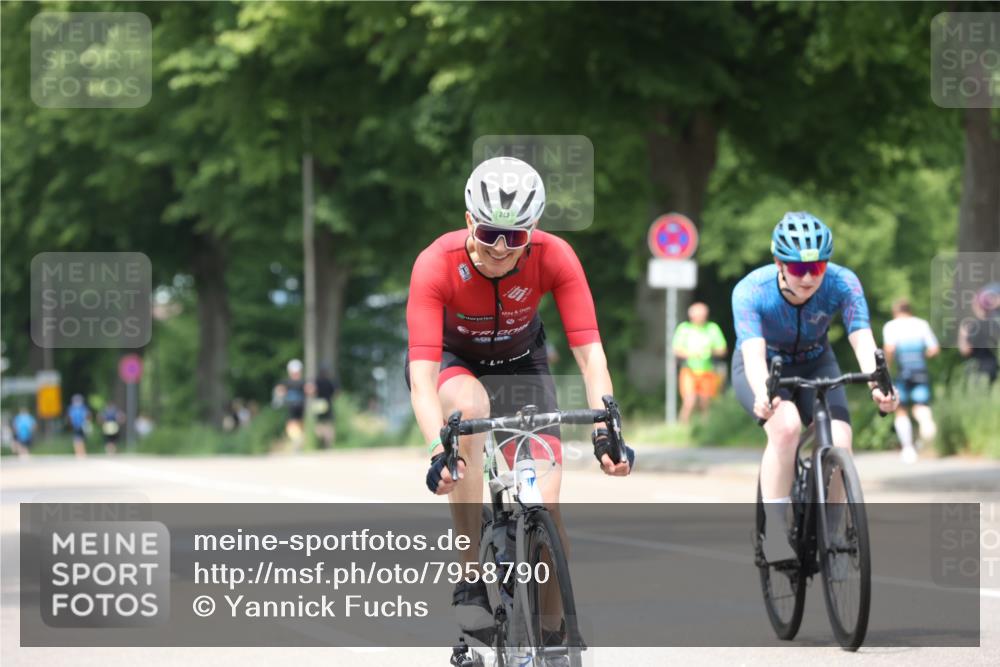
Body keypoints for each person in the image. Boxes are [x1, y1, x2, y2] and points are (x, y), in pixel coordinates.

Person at [406, 156, 634, 644]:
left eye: (517, 236)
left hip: (523, 365)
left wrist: (606, 431)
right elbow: (421, 377)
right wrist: (435, 448)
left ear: (534, 229)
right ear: (470, 221)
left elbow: (592, 356)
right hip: (457, 362)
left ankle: (553, 637)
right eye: (490, 234)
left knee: (547, 508)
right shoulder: (436, 262)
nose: (502, 249)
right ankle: (471, 578)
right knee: (467, 413)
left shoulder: (555, 255)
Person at [731, 212, 897, 562]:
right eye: (797, 269)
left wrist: (878, 382)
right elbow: (753, 352)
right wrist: (763, 392)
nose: (808, 278)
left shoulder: (842, 282)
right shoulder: (750, 291)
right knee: (786, 428)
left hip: (817, 360)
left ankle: (833, 537)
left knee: (841, 442)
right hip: (765, 364)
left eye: (817, 268)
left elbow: (861, 336)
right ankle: (775, 533)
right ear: (778, 263)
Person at [883, 298, 940, 462]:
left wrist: (886, 368)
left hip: (901, 371)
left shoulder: (891, 326)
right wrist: (922, 355)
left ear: (896, 311)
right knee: (920, 405)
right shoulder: (921, 324)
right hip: (920, 369)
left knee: (901, 408)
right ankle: (927, 426)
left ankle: (908, 449)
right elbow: (934, 349)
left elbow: (890, 349)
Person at [672, 302, 728, 423]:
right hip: (689, 370)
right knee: (689, 401)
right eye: (698, 315)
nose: (701, 318)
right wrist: (692, 353)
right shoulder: (684, 328)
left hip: (708, 370)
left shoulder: (712, 328)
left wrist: (709, 351)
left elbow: (723, 350)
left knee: (705, 401)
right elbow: (676, 350)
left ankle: (704, 429)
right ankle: (682, 427)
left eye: (703, 315)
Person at [958, 284, 1000, 385]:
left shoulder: (969, 326)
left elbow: (965, 351)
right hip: (994, 368)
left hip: (975, 369)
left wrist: (962, 336)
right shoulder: (996, 325)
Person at [273, 359, 307, 450]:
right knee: (297, 425)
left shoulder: (287, 382)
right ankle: (298, 441)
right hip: (299, 406)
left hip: (293, 406)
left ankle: (297, 440)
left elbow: (279, 391)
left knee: (292, 425)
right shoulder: (302, 382)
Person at [308, 365, 338, 449]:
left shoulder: (316, 381)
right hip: (327, 403)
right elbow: (335, 393)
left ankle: (322, 440)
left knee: (319, 423)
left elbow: (311, 392)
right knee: (327, 424)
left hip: (318, 403)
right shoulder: (330, 381)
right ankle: (327, 442)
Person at [66, 394, 91, 458]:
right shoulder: (79, 408)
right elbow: (87, 416)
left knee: (78, 439)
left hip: (79, 426)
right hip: (78, 426)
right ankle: (80, 453)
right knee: (79, 439)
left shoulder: (74, 408)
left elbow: (69, 418)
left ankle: (80, 453)